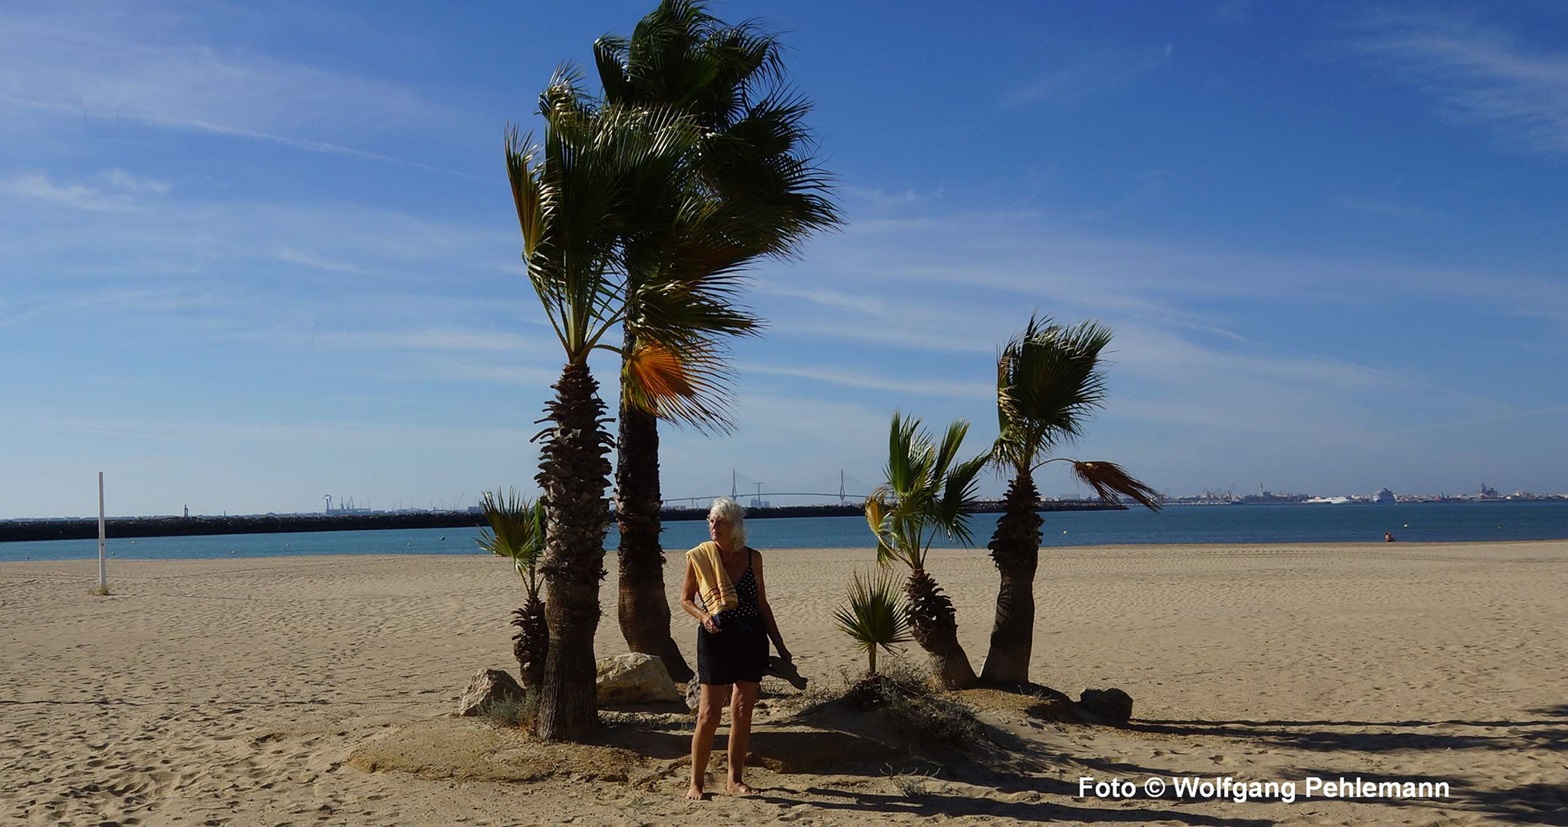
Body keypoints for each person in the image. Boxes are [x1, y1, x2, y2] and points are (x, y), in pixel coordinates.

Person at [679, 497, 791, 800]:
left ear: (734, 527)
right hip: (715, 639)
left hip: (751, 638)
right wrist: (703, 617)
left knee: (743, 711)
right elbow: (685, 599)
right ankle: (696, 783)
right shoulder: (700, 557)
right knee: (709, 714)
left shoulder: (754, 558)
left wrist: (780, 645)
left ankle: (734, 779)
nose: (713, 526)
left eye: (720, 522)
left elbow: (762, 604)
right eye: (711, 521)